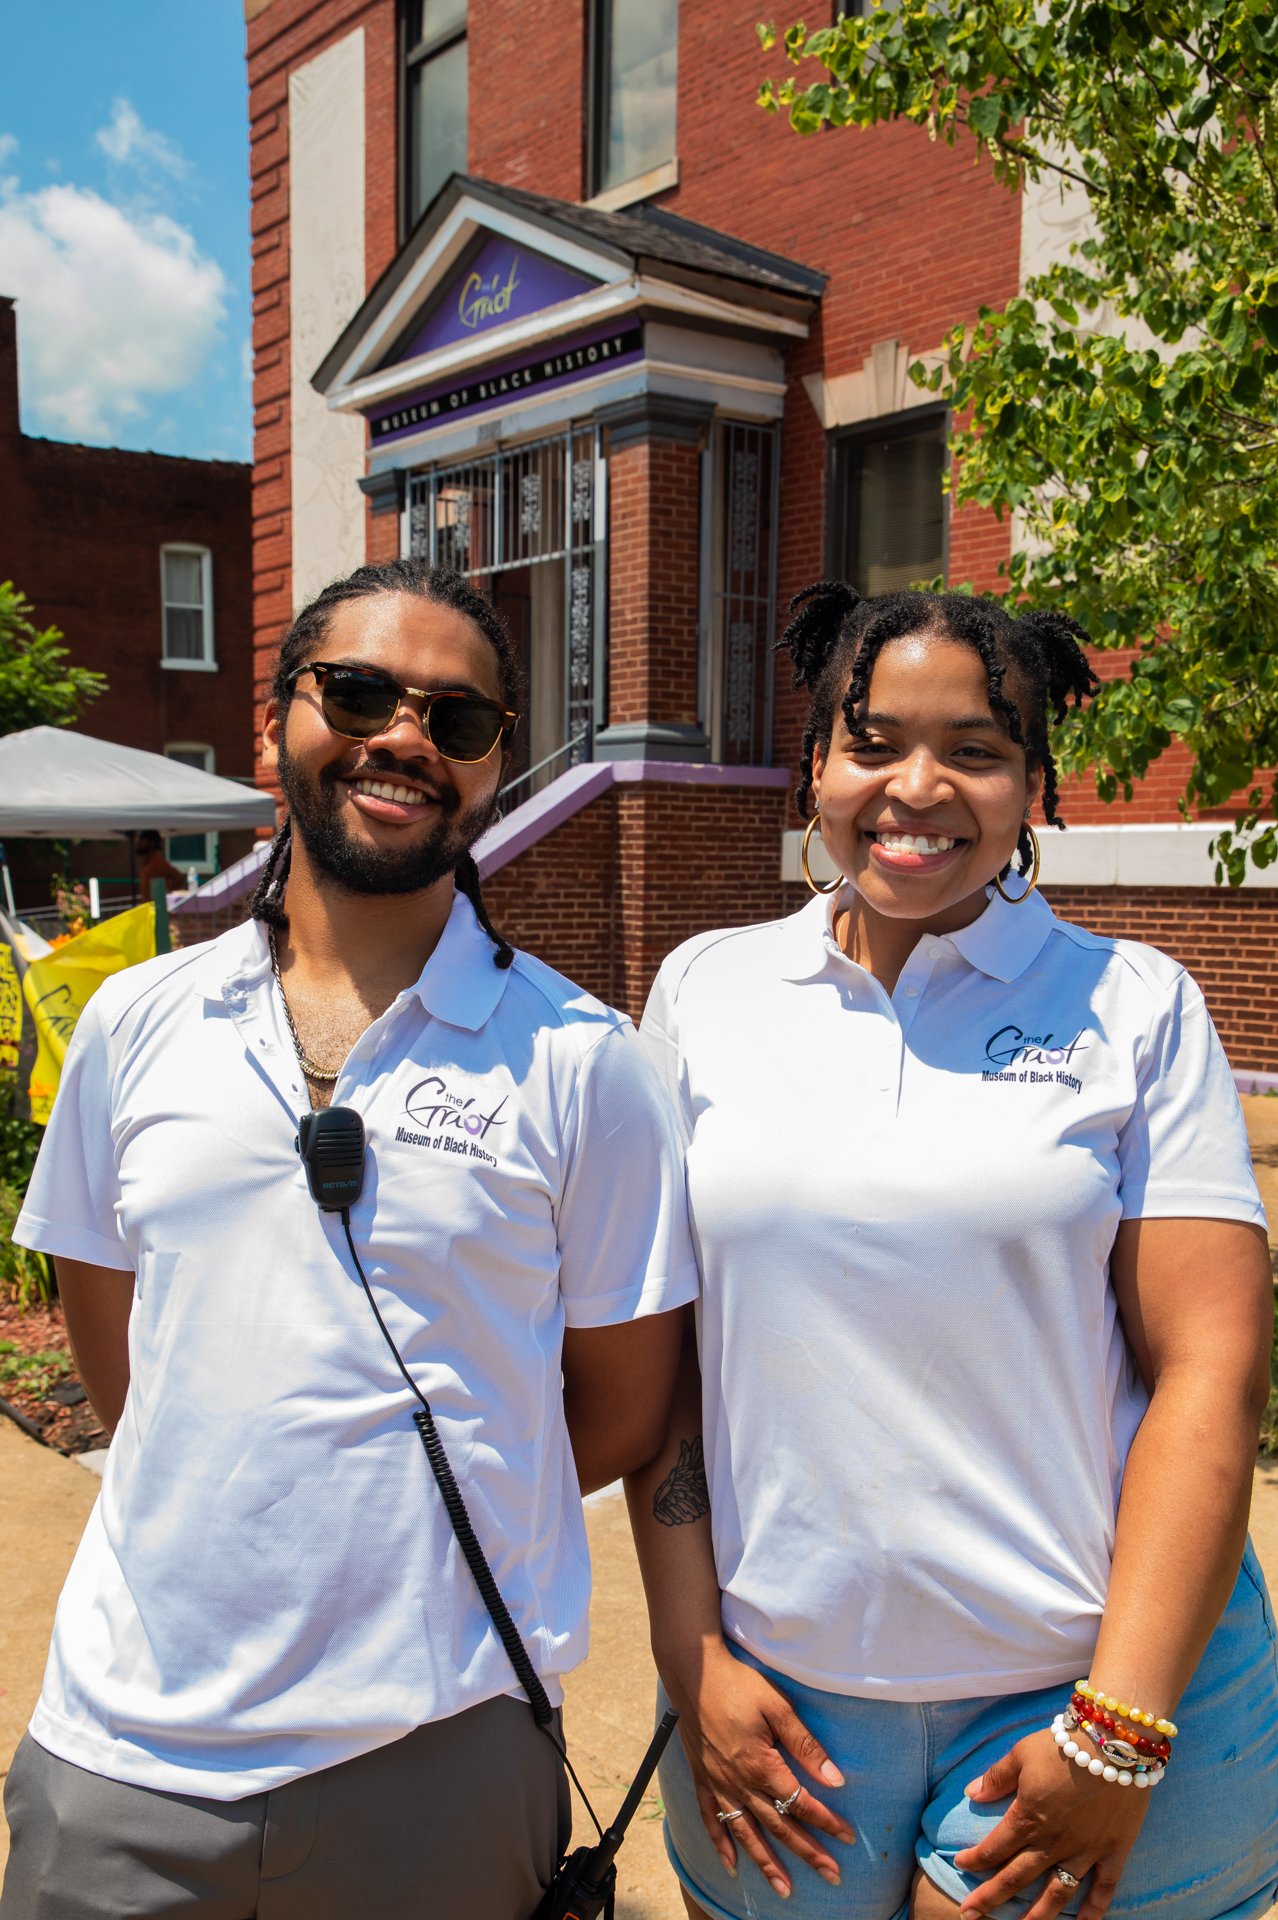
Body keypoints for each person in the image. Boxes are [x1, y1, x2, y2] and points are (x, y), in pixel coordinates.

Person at [3, 559, 697, 1920]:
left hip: (438, 1756)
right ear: (282, 716)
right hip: (126, 1760)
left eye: (458, 719)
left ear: (497, 764)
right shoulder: (135, 1026)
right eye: (363, 693)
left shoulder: (584, 1063)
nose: (404, 740)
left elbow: (613, 1416)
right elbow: (123, 1367)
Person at [627, 582, 1278, 1920]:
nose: (915, 787)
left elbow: (1210, 1370)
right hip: (785, 1710)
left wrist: (1117, 1729)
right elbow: (661, 1358)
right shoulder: (704, 990)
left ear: (1032, 785)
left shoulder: (1131, 1005)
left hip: (1096, 1684)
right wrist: (689, 1652)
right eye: (870, 741)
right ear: (814, 764)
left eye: (974, 751)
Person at [134, 829, 185, 895]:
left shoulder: (157, 862)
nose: (138, 843)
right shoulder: (147, 861)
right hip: (147, 904)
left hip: (156, 904)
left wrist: (167, 894)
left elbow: (179, 877)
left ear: (152, 843)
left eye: (142, 840)